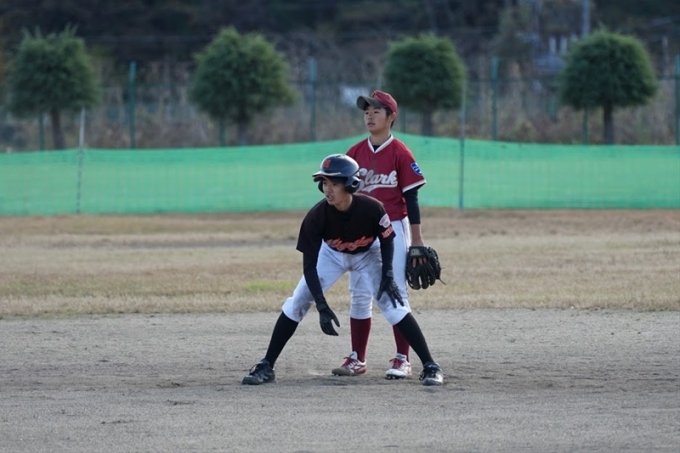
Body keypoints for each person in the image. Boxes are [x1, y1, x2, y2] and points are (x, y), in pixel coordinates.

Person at [241, 154, 444, 387]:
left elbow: (387, 241)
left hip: (368, 255)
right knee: (298, 301)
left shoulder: (372, 208)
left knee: (392, 304)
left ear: (351, 184)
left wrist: (388, 274)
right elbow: (309, 267)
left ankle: (431, 366)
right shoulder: (316, 217)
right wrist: (321, 304)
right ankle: (266, 365)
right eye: (324, 183)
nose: (328, 189)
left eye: (334, 183)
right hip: (331, 256)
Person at [331, 90, 428, 380]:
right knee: (359, 293)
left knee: (395, 290)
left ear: (391, 117)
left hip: (394, 226)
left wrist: (417, 240)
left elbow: (412, 199)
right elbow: (341, 196)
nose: (369, 116)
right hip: (362, 230)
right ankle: (357, 359)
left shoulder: (400, 152)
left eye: (376, 111)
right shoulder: (354, 153)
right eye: (366, 112)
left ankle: (403, 358)